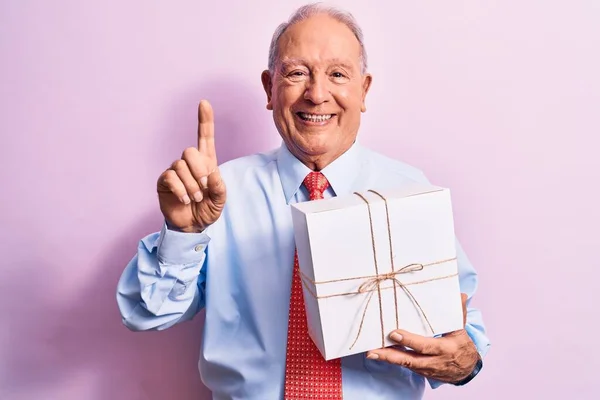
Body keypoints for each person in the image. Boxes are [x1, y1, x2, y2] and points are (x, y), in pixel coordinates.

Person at [116, 3, 490, 399]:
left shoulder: (410, 191)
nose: (316, 94)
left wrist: (465, 362)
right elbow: (145, 314)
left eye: (338, 75)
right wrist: (181, 233)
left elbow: (464, 339)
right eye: (296, 73)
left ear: (363, 91)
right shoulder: (217, 195)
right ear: (269, 88)